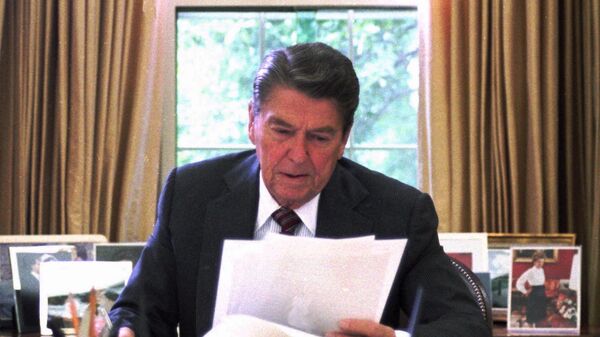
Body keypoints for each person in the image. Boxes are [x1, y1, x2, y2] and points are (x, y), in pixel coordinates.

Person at [108, 42, 491, 337]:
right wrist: (127, 328)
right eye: (282, 131)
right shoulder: (191, 194)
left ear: (344, 140)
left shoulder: (398, 212)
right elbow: (139, 308)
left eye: (320, 138)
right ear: (252, 122)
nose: (298, 155)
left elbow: (464, 324)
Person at [515, 250, 548, 327]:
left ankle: (535, 329)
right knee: (532, 315)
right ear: (534, 262)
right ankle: (530, 330)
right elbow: (519, 282)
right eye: (539, 262)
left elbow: (541, 282)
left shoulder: (542, 270)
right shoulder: (530, 271)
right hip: (534, 294)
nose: (541, 264)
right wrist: (525, 291)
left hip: (542, 293)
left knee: (540, 315)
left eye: (542, 262)